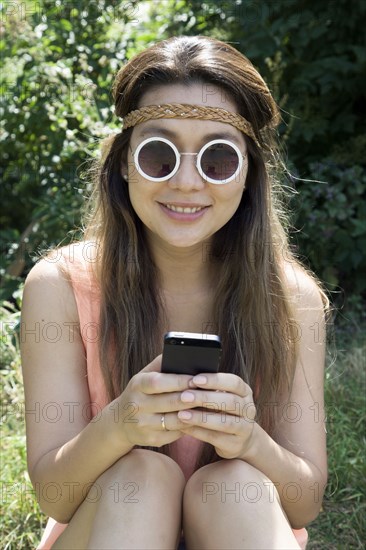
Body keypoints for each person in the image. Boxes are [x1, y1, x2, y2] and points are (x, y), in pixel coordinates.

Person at [21, 35, 328, 549]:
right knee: (142, 478)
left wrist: (251, 443)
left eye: (218, 160)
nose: (187, 182)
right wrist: (119, 425)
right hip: (112, 529)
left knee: (234, 485)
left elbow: (305, 501)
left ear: (248, 174)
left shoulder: (294, 299)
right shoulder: (59, 286)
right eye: (159, 156)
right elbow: (55, 495)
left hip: (241, 530)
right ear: (123, 163)